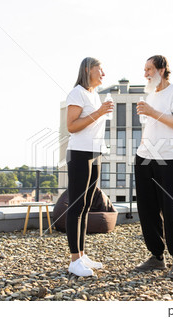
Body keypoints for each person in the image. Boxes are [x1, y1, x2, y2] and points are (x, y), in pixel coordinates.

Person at [134, 55, 173, 279]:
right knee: (147, 209)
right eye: (144, 69)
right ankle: (157, 257)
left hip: (169, 157)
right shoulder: (149, 94)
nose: (145, 73)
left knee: (171, 209)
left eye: (149, 69)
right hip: (145, 157)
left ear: (162, 69)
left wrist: (152, 112)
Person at [65, 57, 113, 277]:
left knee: (86, 206)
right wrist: (100, 112)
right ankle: (74, 260)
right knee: (76, 206)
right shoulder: (77, 93)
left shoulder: (94, 95)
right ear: (87, 70)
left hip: (95, 154)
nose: (103, 73)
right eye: (99, 69)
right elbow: (72, 126)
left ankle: (82, 255)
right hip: (79, 153)